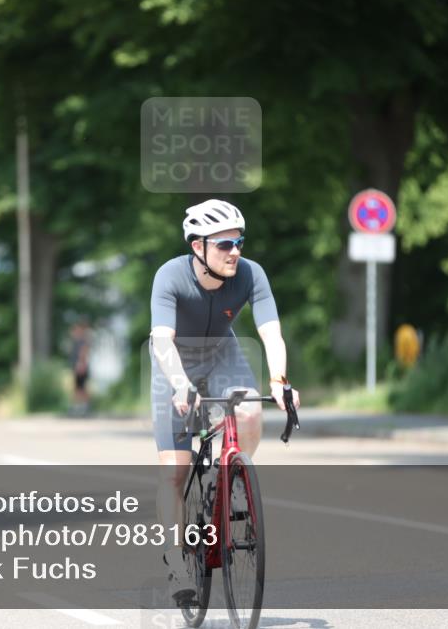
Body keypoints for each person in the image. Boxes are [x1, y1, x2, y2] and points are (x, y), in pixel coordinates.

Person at [149, 198, 300, 602]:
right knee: (175, 471)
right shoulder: (170, 276)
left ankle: (233, 478)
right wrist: (180, 384)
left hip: (221, 354)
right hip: (175, 362)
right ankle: (175, 560)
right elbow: (161, 339)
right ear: (198, 247)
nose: (235, 251)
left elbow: (270, 331)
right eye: (224, 244)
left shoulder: (251, 274)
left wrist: (280, 381)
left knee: (250, 409)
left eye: (239, 242)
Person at [68, 321, 91, 417]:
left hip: (80, 367)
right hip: (77, 367)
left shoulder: (82, 341)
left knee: (81, 388)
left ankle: (83, 407)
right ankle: (78, 406)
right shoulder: (77, 341)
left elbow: (84, 353)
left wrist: (81, 364)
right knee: (78, 387)